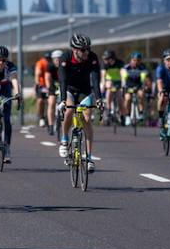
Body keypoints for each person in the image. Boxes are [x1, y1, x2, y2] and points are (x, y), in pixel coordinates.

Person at [57, 34, 103, 173]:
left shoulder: (92, 58)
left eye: (88, 49)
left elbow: (95, 81)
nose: (86, 52)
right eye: (83, 50)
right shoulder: (65, 58)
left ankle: (88, 157)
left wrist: (99, 99)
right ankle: (64, 140)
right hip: (69, 89)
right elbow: (63, 81)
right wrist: (63, 101)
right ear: (74, 50)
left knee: (87, 119)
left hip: (85, 90)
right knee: (69, 110)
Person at [121, 52, 148, 125]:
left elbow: (144, 77)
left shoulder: (142, 67)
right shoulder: (126, 67)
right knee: (127, 98)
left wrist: (144, 85)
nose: (136, 62)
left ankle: (141, 112)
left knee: (141, 94)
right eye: (134, 60)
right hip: (129, 86)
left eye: (138, 60)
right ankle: (127, 116)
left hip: (138, 86)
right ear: (131, 60)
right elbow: (123, 76)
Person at [100, 49, 126, 124]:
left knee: (120, 98)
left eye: (106, 59)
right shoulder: (104, 64)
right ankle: (108, 111)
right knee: (108, 93)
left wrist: (124, 81)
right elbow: (103, 75)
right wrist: (103, 84)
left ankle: (122, 115)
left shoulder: (119, 63)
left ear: (111, 59)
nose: (105, 60)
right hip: (109, 82)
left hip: (118, 81)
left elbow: (122, 72)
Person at [44, 50, 63, 135]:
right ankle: (51, 125)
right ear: (52, 60)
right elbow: (47, 78)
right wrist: (49, 88)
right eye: (55, 59)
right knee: (51, 102)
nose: (57, 61)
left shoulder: (65, 65)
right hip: (53, 85)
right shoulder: (50, 66)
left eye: (59, 59)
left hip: (63, 85)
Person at [34, 52, 51, 127]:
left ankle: (49, 117)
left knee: (50, 101)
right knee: (40, 100)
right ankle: (41, 117)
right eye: (46, 59)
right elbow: (37, 74)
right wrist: (37, 83)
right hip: (42, 85)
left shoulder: (52, 63)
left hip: (50, 85)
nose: (47, 61)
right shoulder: (40, 62)